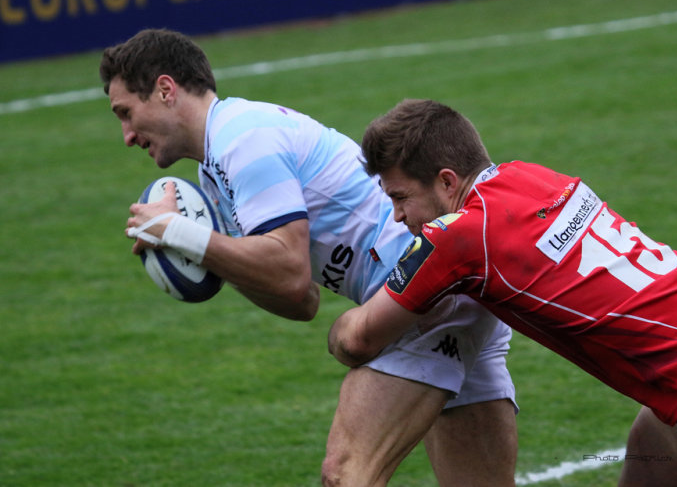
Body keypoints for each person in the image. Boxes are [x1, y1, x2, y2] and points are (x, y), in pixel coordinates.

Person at [99, 30, 519, 486]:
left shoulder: (243, 139)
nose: (126, 135)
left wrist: (184, 233)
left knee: (346, 474)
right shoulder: (216, 167)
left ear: (165, 90)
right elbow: (301, 302)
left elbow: (290, 274)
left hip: (421, 289)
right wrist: (204, 248)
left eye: (126, 113)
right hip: (440, 284)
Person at [328, 98, 677, 486]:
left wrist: (337, 322)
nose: (396, 216)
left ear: (447, 181)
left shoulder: (458, 235)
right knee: (654, 439)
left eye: (400, 197)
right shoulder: (532, 176)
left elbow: (358, 340)